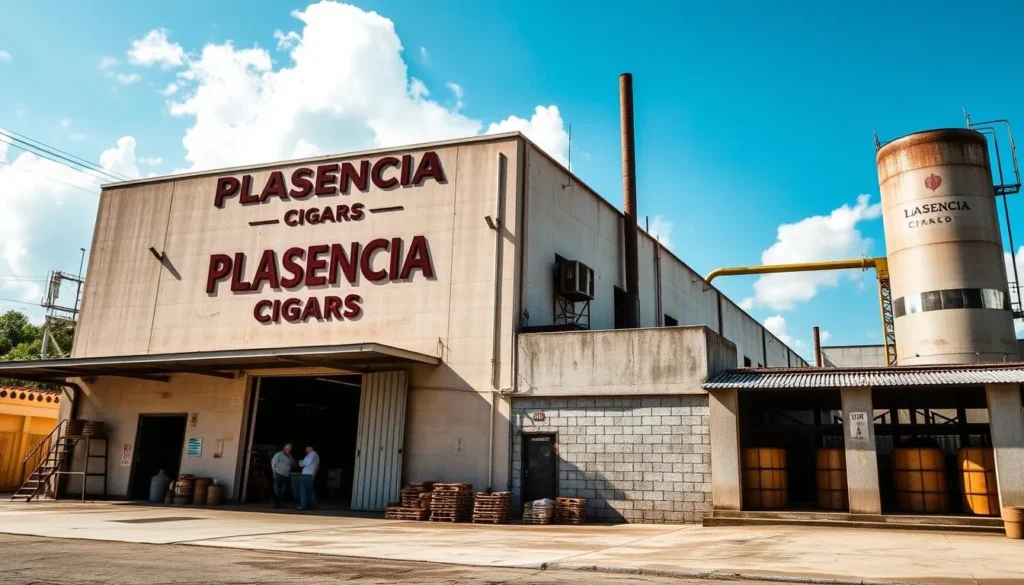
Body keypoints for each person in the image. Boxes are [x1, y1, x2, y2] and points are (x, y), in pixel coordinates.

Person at [269, 443, 296, 508]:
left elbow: (293, 463)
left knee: (283, 490)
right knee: (277, 489)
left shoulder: (289, 456)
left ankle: (280, 503)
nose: (288, 449)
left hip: (286, 475)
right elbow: (273, 463)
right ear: (284, 448)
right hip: (278, 474)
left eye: (289, 449)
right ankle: (275, 504)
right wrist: (274, 473)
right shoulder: (278, 454)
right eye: (287, 448)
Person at [297, 444, 320, 510]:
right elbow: (317, 466)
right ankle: (313, 505)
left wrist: (300, 462)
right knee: (310, 490)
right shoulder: (316, 455)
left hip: (306, 474)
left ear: (311, 448)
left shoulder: (312, 454)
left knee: (303, 490)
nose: (306, 449)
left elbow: (305, 464)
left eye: (308, 448)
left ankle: (302, 505)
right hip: (311, 474)